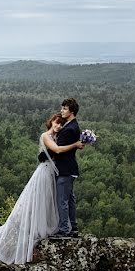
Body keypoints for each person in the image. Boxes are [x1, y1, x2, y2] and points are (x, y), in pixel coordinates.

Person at [0, 113, 84, 264]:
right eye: (56, 123)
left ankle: (49, 227)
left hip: (54, 173)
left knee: (51, 201)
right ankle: (34, 230)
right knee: (40, 200)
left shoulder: (58, 137)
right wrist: (76, 144)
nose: (58, 126)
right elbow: (57, 150)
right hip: (45, 173)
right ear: (50, 122)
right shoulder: (46, 136)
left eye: (60, 124)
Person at [50, 98, 81, 239]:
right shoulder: (71, 125)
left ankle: (64, 230)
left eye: (64, 108)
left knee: (62, 200)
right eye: (62, 108)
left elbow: (58, 150)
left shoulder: (70, 128)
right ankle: (73, 227)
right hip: (70, 169)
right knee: (69, 199)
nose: (61, 110)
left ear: (72, 111)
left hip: (65, 169)